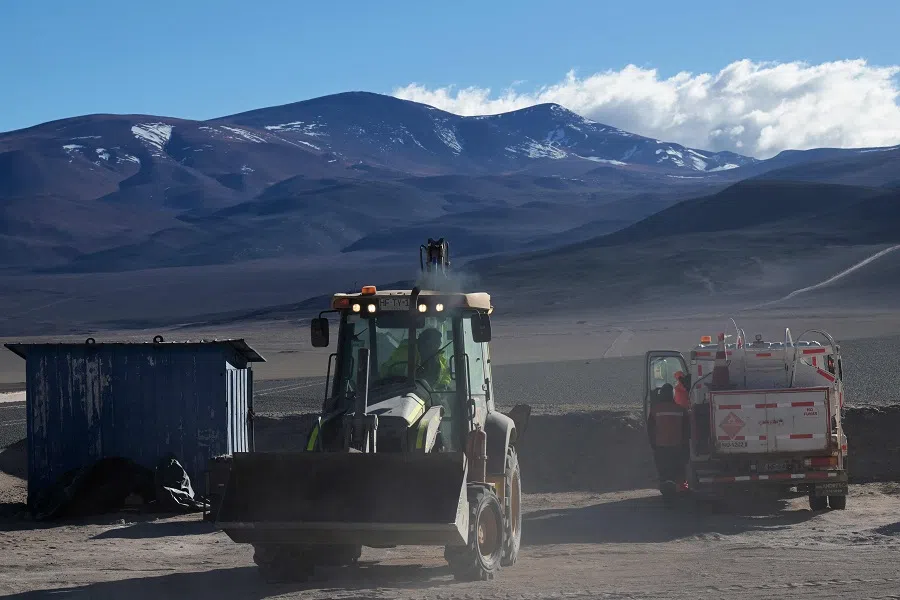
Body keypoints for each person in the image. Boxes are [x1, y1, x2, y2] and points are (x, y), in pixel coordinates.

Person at [647, 383, 690, 504]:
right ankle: (682, 492)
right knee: (679, 473)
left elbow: (650, 429)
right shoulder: (681, 410)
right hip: (678, 447)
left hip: (661, 448)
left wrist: (654, 445)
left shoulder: (655, 410)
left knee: (664, 473)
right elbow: (687, 431)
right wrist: (685, 447)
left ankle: (667, 494)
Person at [380, 327, 451, 389]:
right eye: (436, 341)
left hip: (430, 394)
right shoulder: (406, 352)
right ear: (426, 340)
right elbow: (389, 370)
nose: (439, 344)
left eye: (439, 342)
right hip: (403, 392)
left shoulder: (439, 358)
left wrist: (444, 384)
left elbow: (445, 374)